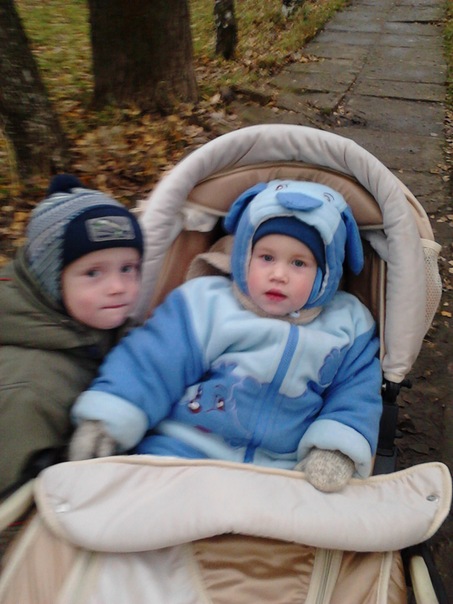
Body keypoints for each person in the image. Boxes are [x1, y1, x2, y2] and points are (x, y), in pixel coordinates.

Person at [69, 179, 382, 492]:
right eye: (266, 258)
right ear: (244, 255)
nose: (278, 275)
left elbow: (355, 392)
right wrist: (109, 419)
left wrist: (335, 447)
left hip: (282, 469)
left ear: (326, 274)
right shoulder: (206, 303)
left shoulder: (348, 325)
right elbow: (152, 362)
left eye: (298, 263)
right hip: (183, 449)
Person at [0, 174, 144, 495]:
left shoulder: (102, 329)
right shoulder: (27, 389)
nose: (118, 287)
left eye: (128, 268)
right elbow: (14, 505)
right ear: (51, 280)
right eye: (93, 273)